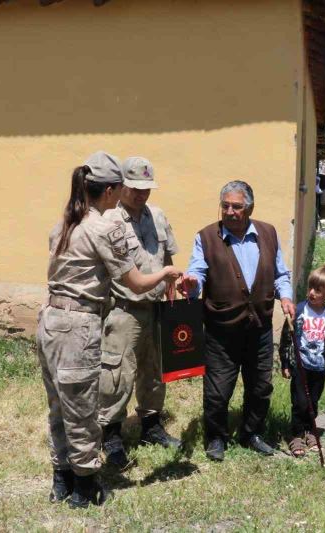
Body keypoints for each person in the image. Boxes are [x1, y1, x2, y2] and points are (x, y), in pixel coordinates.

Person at [38, 151, 181, 508]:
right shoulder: (105, 226)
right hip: (79, 326)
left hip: (50, 321)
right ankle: (85, 486)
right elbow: (134, 282)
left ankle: (62, 478)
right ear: (112, 189)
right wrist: (165, 274)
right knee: (83, 408)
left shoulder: (65, 222)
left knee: (58, 406)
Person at [178, 180, 296, 461]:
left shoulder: (268, 233)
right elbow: (197, 273)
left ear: (250, 208)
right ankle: (216, 437)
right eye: (225, 206)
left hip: (260, 328)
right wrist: (191, 284)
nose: (230, 212)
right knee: (218, 390)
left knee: (260, 386)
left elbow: (280, 274)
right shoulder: (206, 237)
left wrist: (287, 297)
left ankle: (251, 432)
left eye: (237, 206)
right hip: (222, 330)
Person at [98, 157, 181, 470]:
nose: (141, 195)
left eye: (147, 189)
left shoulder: (157, 216)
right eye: (135, 189)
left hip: (158, 306)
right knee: (117, 374)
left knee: (155, 371)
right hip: (125, 309)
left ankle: (151, 426)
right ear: (122, 186)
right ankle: (112, 435)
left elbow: (167, 255)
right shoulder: (110, 221)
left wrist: (174, 281)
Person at [278, 265, 325, 458]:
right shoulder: (298, 311)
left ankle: (309, 431)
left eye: (318, 290)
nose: (312, 293)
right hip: (300, 364)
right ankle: (296, 434)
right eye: (310, 288)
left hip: (319, 365)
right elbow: (286, 338)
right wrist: (286, 363)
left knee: (313, 401)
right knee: (300, 401)